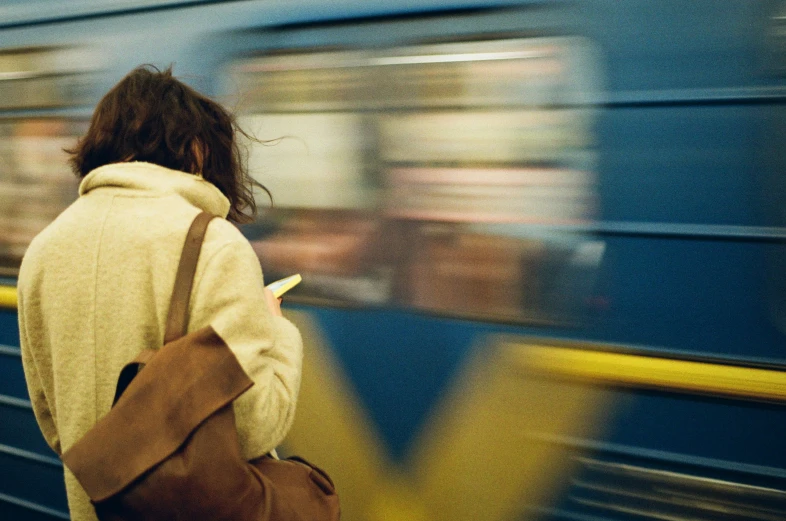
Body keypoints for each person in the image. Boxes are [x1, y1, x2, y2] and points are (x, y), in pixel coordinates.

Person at [17, 65, 303, 521]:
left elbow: (54, 424)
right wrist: (277, 329)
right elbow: (254, 427)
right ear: (196, 149)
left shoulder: (43, 250)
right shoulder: (214, 245)